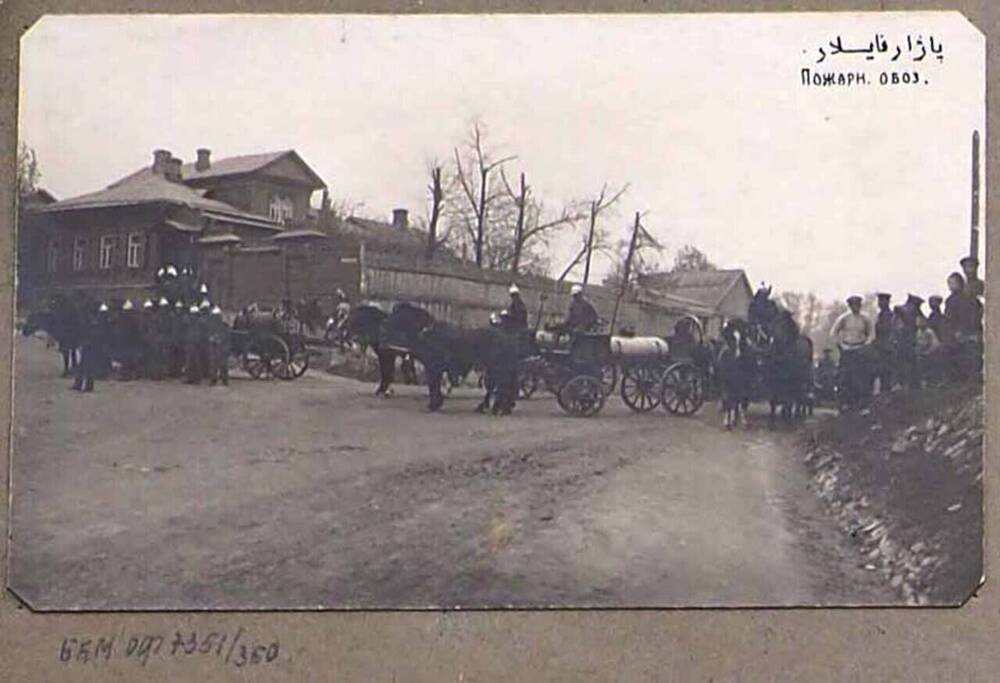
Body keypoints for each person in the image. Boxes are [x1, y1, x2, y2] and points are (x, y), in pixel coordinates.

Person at [829, 295, 873, 409]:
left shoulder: (865, 318)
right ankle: (843, 401)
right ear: (849, 306)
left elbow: (872, 333)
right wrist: (840, 344)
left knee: (861, 376)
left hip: (860, 349)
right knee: (844, 376)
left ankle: (861, 402)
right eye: (853, 305)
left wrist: (866, 344)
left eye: (857, 305)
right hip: (847, 349)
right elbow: (833, 332)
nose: (855, 307)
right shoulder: (844, 318)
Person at [73, 303, 109, 392]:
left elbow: (95, 335)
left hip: (92, 346)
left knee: (88, 367)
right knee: (84, 366)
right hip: (89, 346)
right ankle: (81, 384)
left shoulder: (95, 323)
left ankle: (86, 385)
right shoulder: (93, 323)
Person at [872, 292, 894, 393]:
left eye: (882, 301)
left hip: (887, 349)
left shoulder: (889, 315)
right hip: (880, 348)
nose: (880, 303)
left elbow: (887, 330)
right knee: (882, 375)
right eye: (879, 301)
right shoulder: (881, 315)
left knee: (886, 375)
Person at [206, 306, 231, 386]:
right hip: (215, 346)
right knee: (213, 364)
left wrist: (219, 339)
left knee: (222, 364)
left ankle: (224, 379)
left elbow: (226, 336)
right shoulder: (212, 325)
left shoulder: (224, 326)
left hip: (222, 347)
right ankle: (214, 379)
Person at [914, 316, 942, 387]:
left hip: (931, 353)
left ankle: (935, 381)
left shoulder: (929, 332)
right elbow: (918, 343)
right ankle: (925, 381)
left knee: (932, 366)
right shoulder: (918, 332)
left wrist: (928, 351)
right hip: (922, 353)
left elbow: (935, 344)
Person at [184, 305, 207, 385]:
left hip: (197, 344)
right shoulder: (190, 322)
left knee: (197, 362)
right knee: (189, 362)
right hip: (190, 343)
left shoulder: (200, 322)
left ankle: (197, 378)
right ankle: (190, 378)